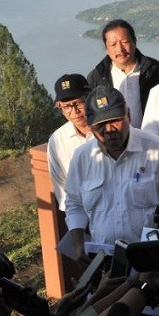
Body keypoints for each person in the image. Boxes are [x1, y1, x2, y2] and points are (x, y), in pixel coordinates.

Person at [64, 86, 159, 268]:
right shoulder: (82, 158)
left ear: (128, 114)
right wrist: (78, 245)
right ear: (89, 124)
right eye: (100, 125)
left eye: (116, 121)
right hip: (104, 261)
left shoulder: (158, 150)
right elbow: (74, 205)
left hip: (152, 261)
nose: (110, 130)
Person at [87, 19, 159, 128]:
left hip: (151, 138)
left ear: (134, 42)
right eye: (113, 44)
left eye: (124, 42)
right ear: (106, 48)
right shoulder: (97, 76)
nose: (120, 49)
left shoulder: (154, 69)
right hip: (114, 140)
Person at [47, 73, 93, 213]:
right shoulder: (57, 140)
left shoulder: (109, 129)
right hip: (80, 216)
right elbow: (61, 188)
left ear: (90, 98)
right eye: (66, 106)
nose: (74, 112)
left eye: (79, 103)